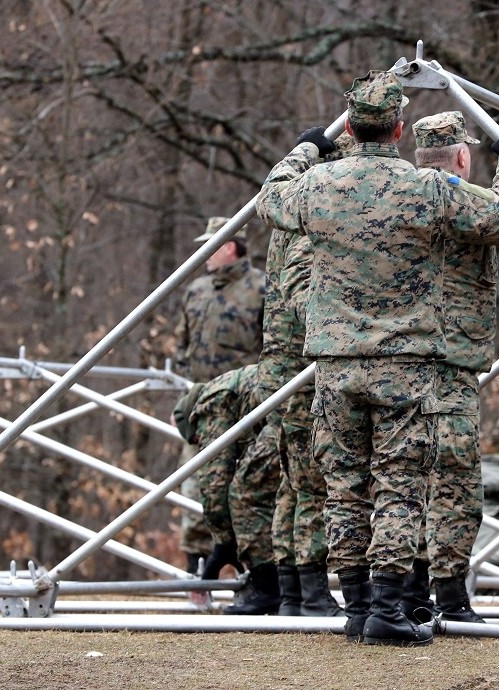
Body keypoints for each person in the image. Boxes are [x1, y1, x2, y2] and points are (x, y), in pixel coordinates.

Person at [256, 70, 499, 646]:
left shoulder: (318, 186)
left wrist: (307, 148)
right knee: (399, 484)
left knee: (344, 485)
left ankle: (359, 607)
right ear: (398, 128)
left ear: (354, 126)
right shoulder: (426, 189)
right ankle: (389, 607)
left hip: (335, 364)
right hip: (404, 363)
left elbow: (271, 199)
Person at [400, 111, 499, 624]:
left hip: (398, 360)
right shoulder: (455, 195)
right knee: (455, 482)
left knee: (403, 477)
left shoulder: (396, 194)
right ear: (463, 156)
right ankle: (446, 596)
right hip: (447, 362)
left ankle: (408, 589)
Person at [266, 133, 354, 619]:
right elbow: (302, 291)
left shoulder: (290, 205)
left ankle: (293, 590)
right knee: (311, 480)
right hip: (300, 362)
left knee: (294, 483)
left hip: (286, 361)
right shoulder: (307, 216)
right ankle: (309, 589)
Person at [173, 218, 265, 575]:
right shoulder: (196, 291)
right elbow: (183, 349)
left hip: (245, 407)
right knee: (195, 490)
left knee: (245, 491)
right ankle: (196, 577)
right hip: (200, 407)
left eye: (211, 244)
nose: (204, 253)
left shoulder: (261, 288)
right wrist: (184, 403)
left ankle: (254, 574)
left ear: (230, 246)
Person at [171, 364, 261, 615]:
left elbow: (215, 484)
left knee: (255, 491)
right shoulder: (228, 388)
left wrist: (223, 543)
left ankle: (273, 588)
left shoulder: (212, 405)